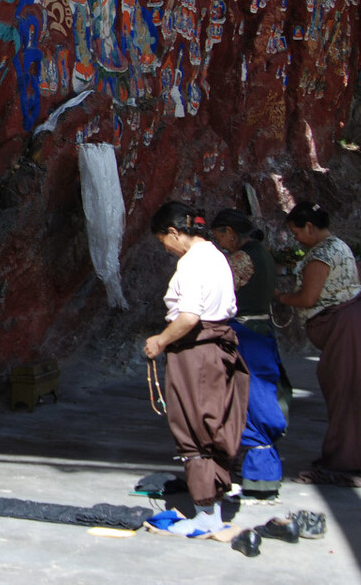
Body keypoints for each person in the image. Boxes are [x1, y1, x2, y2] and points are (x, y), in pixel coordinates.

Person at [144, 201, 249, 535]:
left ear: (175, 232)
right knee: (214, 422)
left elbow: (189, 317)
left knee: (195, 427)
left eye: (164, 240)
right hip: (218, 348)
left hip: (197, 352)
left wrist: (160, 341)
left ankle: (206, 514)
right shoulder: (217, 256)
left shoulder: (190, 263)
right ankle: (216, 495)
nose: (166, 248)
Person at [276, 201, 361, 484]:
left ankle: (350, 460)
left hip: (347, 326)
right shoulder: (339, 245)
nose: (297, 239)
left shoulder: (321, 254)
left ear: (309, 227)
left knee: (349, 393)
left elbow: (308, 298)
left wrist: (280, 297)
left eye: (297, 233)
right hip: (356, 324)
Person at [211, 208, 291, 501]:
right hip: (261, 332)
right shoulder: (264, 255)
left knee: (250, 400)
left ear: (230, 233)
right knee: (261, 394)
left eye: (220, 237)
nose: (219, 244)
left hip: (246, 336)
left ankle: (260, 477)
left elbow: (216, 293)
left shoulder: (241, 259)